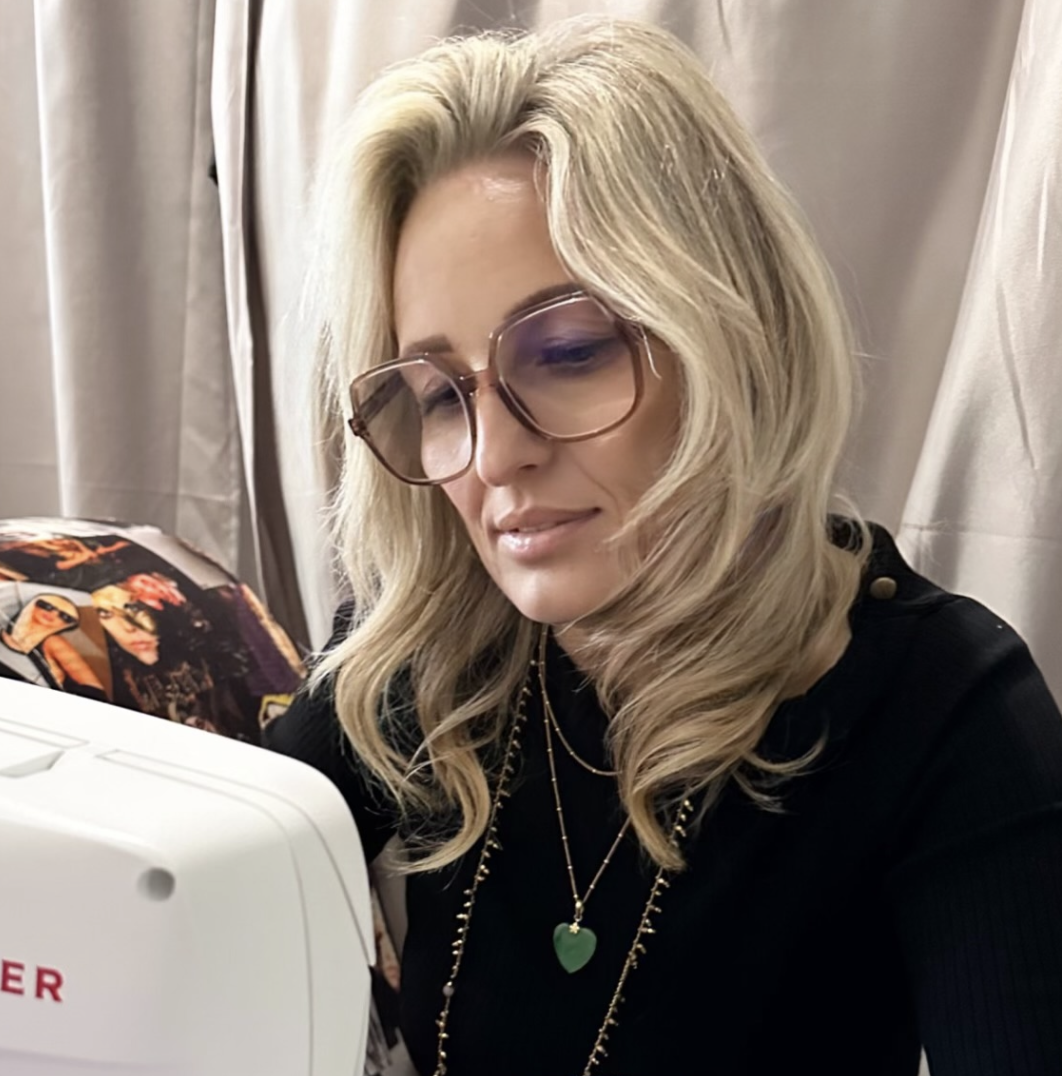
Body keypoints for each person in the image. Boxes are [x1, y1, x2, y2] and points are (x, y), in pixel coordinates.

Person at [264, 17, 1062, 1076]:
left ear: (730, 334)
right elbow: (183, 888)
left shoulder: (942, 707)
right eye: (436, 390)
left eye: (568, 352)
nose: (494, 456)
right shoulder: (424, 658)